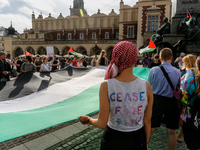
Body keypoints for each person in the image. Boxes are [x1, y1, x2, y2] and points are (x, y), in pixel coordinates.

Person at [79, 41, 153, 150]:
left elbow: (101, 123)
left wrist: (89, 119)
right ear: (134, 60)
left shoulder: (106, 85)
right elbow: (147, 120)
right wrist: (146, 143)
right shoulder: (146, 85)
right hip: (137, 138)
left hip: (113, 138)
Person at [148, 48, 181, 150]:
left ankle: (144, 147)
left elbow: (149, 87)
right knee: (172, 132)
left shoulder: (153, 70)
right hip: (172, 102)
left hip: (156, 101)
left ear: (160, 58)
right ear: (171, 58)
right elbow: (178, 87)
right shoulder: (177, 71)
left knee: (150, 128)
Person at [182, 56, 200, 150]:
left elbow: (185, 96)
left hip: (191, 115)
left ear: (197, 66)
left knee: (192, 144)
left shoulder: (191, 81)